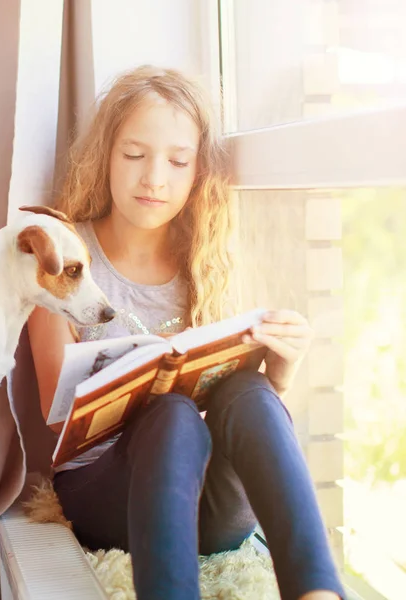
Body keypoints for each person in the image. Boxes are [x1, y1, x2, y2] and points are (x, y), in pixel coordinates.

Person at [27, 65, 345, 600]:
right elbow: (56, 412)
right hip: (108, 495)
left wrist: (279, 373)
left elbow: (236, 407)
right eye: (134, 156)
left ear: (198, 172)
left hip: (208, 508)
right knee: (170, 413)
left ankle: (317, 591)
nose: (155, 178)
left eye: (178, 162)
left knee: (249, 389)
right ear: (104, 155)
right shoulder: (65, 256)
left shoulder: (208, 260)